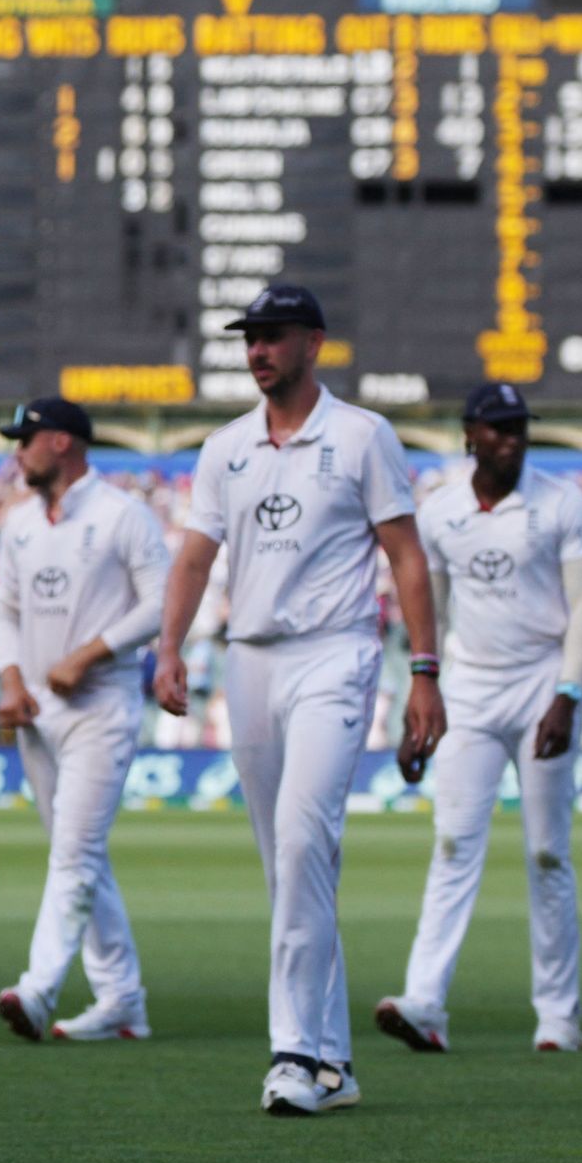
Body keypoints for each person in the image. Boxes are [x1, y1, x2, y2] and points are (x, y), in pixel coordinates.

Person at [154, 285, 445, 1115]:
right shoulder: (224, 447)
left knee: (299, 842)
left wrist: (424, 670)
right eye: (250, 338)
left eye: (273, 336)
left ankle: (293, 1054)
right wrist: (170, 647)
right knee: (293, 869)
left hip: (335, 655)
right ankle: (338, 1064)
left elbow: (407, 558)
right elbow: (194, 559)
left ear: (313, 343)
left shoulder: (361, 436)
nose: (257, 350)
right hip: (249, 661)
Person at [375, 383, 582, 1054]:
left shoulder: (561, 501)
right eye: (497, 429)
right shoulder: (441, 511)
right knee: (451, 844)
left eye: (519, 428)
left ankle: (558, 1015)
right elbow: (431, 617)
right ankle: (424, 1002)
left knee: (546, 850)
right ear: (469, 433)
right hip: (469, 686)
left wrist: (569, 692)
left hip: (540, 681)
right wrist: (419, 698)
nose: (511, 439)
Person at [0, 397, 170, 1042]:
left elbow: (161, 605)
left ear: (62, 443)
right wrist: (11, 678)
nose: (17, 452)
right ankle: (122, 998)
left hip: (101, 705)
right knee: (80, 854)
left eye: (25, 440)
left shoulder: (124, 515)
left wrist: (90, 654)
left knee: (74, 852)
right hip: (37, 711)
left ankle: (37, 990)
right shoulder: (18, 524)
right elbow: (4, 610)